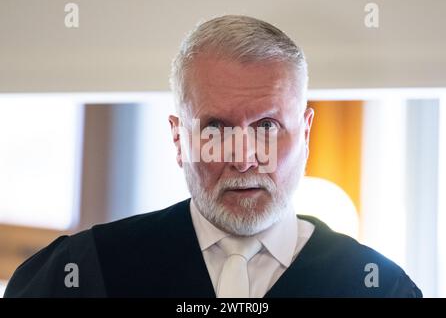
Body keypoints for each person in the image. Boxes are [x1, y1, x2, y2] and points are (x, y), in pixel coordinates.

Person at [5, 15, 421, 298]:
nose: (243, 159)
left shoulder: (378, 288)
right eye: (216, 129)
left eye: (267, 127)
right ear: (177, 138)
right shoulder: (80, 273)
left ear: (306, 133)